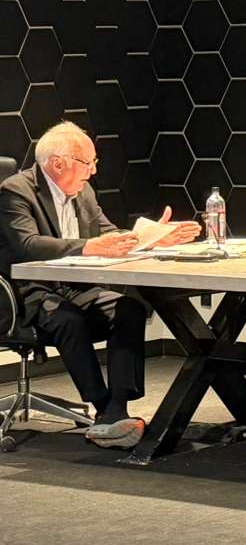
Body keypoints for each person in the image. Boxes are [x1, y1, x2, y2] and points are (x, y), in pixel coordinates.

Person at [0, 122, 201, 448]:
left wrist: (152, 239)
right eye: (87, 163)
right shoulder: (15, 191)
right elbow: (29, 245)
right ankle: (104, 409)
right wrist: (89, 247)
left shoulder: (84, 192)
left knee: (129, 308)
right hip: (28, 292)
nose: (93, 172)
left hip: (74, 286)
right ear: (58, 163)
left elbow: (109, 235)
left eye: (95, 163)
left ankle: (117, 410)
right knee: (68, 320)